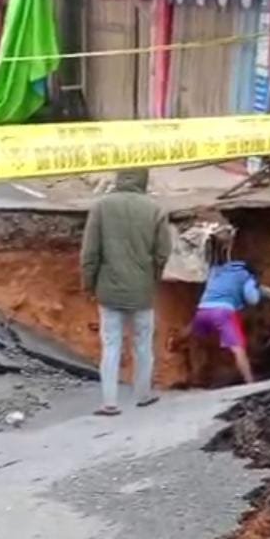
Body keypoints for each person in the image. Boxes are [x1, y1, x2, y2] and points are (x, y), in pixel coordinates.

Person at [81, 168, 172, 416]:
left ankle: (110, 402)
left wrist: (89, 285)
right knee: (143, 344)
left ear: (119, 180)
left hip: (108, 290)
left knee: (111, 344)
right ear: (144, 181)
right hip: (142, 291)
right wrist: (153, 277)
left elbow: (90, 253)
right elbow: (163, 251)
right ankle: (143, 395)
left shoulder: (101, 207)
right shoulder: (155, 210)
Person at [183, 245, 261, 384]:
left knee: (195, 335)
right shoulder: (246, 275)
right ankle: (250, 381)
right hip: (224, 312)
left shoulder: (217, 270)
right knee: (238, 348)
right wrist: (255, 287)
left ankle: (175, 343)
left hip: (203, 310)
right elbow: (252, 299)